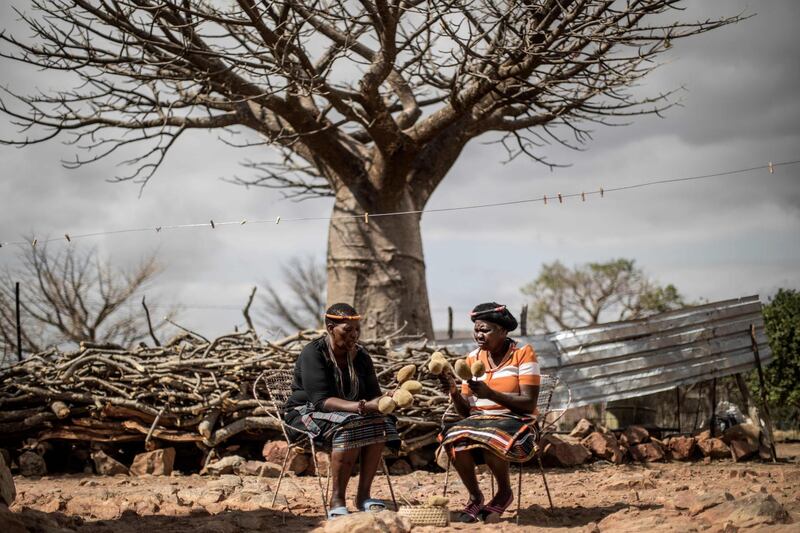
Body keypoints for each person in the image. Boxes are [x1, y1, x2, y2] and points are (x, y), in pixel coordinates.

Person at [283, 303, 399, 519]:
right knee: (352, 424)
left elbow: (374, 393)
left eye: (357, 329)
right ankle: (337, 499)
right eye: (348, 330)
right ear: (330, 328)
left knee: (382, 421)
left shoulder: (361, 357)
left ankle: (363, 497)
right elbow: (320, 401)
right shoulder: (313, 353)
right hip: (305, 414)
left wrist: (386, 400)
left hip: (350, 414)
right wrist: (362, 406)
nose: (354, 335)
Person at [437, 302, 541, 523]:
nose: (479, 335)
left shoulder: (523, 353)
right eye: (476, 330)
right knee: (453, 438)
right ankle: (475, 496)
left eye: (485, 330)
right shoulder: (472, 359)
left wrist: (492, 394)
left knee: (491, 434)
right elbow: (466, 413)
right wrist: (455, 393)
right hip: (479, 423)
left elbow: (529, 403)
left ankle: (504, 492)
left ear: (503, 331)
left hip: (519, 425)